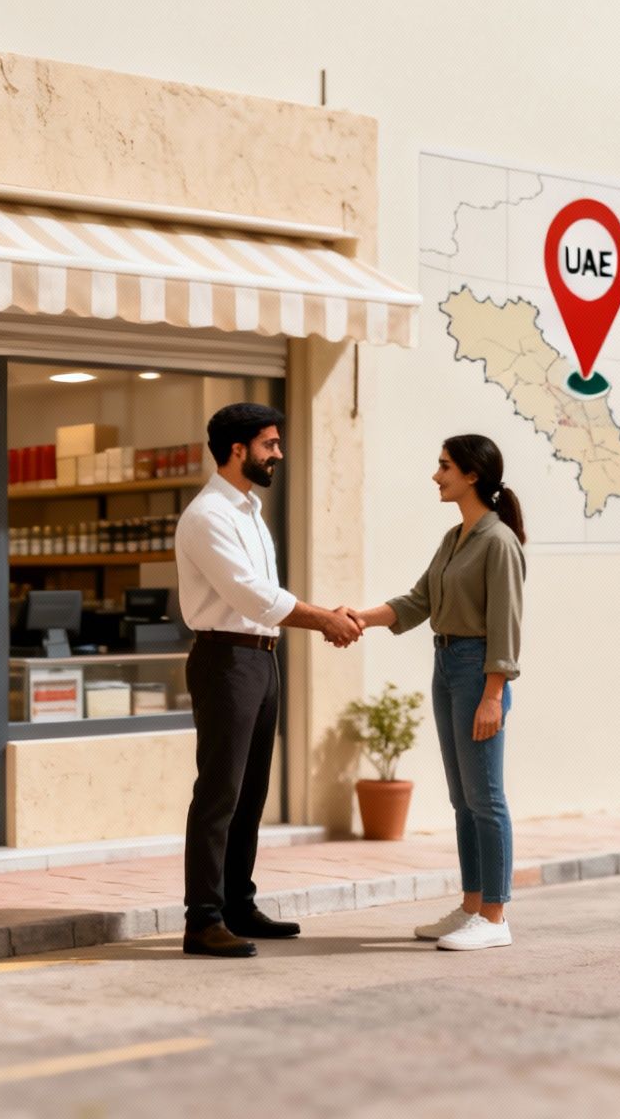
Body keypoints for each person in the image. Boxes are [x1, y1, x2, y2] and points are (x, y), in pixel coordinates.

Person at [176, 402, 363, 959]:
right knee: (219, 794)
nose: (278, 454)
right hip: (225, 660)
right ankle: (202, 919)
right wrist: (326, 618)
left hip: (261, 658)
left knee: (251, 792)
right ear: (238, 450)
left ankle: (238, 903)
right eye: (270, 444)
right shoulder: (209, 516)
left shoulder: (249, 510)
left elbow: (264, 598)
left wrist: (311, 621)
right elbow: (251, 596)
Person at [353, 434, 526, 951]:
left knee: (486, 797)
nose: (436, 475)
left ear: (472, 475)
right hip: (446, 663)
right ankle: (472, 905)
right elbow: (416, 602)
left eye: (444, 466)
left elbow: (506, 626)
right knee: (462, 799)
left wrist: (493, 693)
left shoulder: (498, 542)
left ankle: (495, 917)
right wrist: (357, 617)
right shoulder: (455, 538)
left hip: (478, 671)